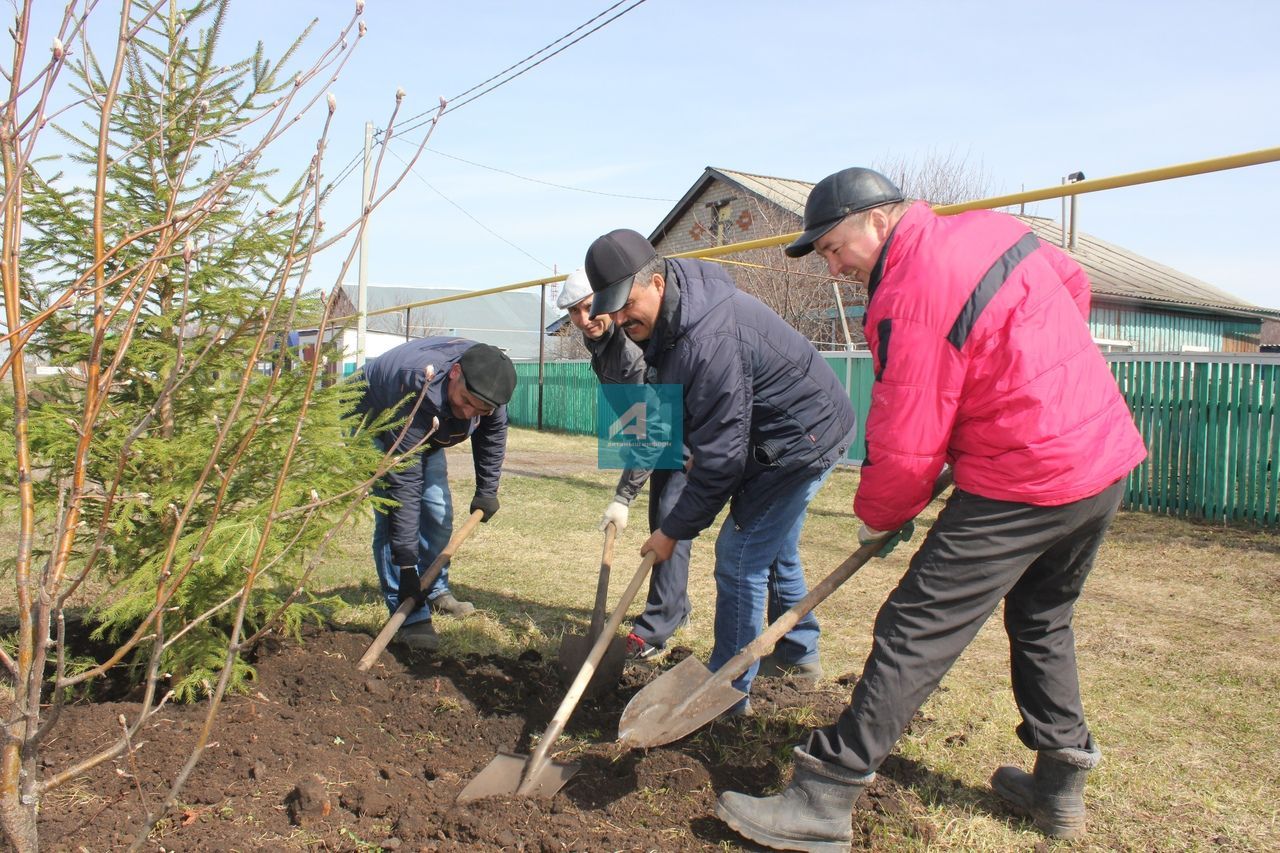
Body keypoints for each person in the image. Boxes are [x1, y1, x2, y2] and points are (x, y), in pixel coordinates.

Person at [715, 167, 1147, 851]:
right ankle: (1060, 785)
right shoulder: (991, 229)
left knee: (915, 624)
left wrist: (880, 513)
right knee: (1042, 618)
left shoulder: (908, 292)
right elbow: (1071, 286)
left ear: (878, 220)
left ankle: (825, 793)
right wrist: (1022, 368)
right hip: (1100, 458)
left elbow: (907, 436)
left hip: (1024, 473)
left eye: (833, 247)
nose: (834, 266)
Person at [585, 228, 856, 710]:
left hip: (799, 441)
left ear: (657, 284)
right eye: (614, 309)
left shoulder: (707, 336)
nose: (621, 318)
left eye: (628, 304)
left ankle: (726, 692)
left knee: (739, 556)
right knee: (774, 550)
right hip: (784, 435)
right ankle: (799, 655)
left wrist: (672, 529)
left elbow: (722, 457)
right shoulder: (674, 321)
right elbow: (688, 423)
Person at [556, 268, 692, 659]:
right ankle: (675, 607)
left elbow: (651, 428)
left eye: (588, 308)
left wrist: (623, 494)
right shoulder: (599, 342)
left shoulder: (628, 350)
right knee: (663, 523)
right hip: (662, 431)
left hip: (680, 434)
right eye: (574, 313)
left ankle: (655, 629)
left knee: (670, 523)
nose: (584, 320)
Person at [354, 337, 516, 650]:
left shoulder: (491, 383)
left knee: (439, 513)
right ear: (455, 372)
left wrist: (487, 489)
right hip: (373, 417)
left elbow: (492, 434)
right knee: (394, 514)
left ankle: (433, 587)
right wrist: (406, 566)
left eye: (479, 409)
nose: (469, 413)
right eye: (466, 401)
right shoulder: (415, 385)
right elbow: (405, 487)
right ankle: (409, 611)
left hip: (426, 426)